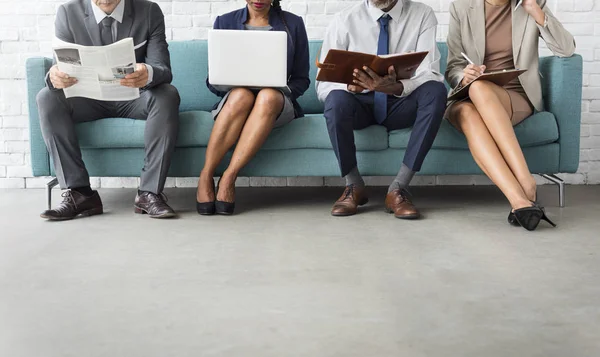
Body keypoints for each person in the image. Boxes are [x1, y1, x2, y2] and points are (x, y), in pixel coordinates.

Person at [37, 0, 180, 220]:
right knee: (47, 97)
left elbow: (163, 69)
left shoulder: (149, 11)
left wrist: (148, 72)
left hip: (133, 96)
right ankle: (79, 193)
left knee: (167, 94)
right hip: (87, 98)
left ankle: (149, 192)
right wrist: (54, 75)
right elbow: (61, 64)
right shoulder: (67, 12)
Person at [445, 0, 575, 231]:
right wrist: (464, 76)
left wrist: (536, 10)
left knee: (480, 89)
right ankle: (522, 196)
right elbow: (453, 65)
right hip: (467, 96)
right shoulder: (462, 7)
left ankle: (523, 189)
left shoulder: (532, 4)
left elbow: (566, 49)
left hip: (514, 95)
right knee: (469, 102)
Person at [317, 0, 447, 220]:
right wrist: (351, 86)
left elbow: (430, 73)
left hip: (399, 103)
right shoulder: (343, 20)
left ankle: (399, 188)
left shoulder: (422, 14)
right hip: (360, 105)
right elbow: (323, 85)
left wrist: (395, 87)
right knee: (336, 99)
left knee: (436, 91)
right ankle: (353, 185)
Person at [196, 0, 310, 216]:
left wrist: (279, 88)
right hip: (237, 100)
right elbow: (213, 80)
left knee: (266, 96)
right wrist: (230, 81)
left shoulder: (293, 24)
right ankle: (206, 175)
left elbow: (302, 79)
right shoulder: (225, 21)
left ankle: (229, 176)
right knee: (241, 96)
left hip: (276, 103)